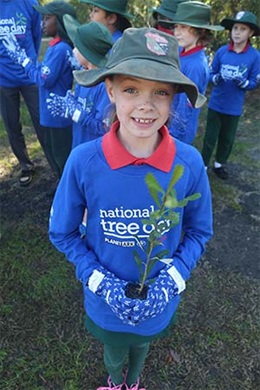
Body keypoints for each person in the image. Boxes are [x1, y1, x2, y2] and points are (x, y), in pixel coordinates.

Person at [49, 27, 213, 390]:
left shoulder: (189, 163)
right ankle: (114, 378)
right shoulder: (83, 162)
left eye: (161, 92)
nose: (146, 105)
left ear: (174, 100)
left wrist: (171, 281)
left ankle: (134, 380)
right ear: (110, 90)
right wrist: (98, 280)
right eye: (130, 89)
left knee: (142, 343)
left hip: (158, 302)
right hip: (104, 303)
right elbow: (62, 231)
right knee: (114, 347)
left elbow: (200, 229)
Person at [3, 1, 77, 179]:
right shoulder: (55, 47)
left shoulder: (60, 49)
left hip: (48, 103)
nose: (44, 22)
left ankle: (62, 179)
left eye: (47, 19)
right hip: (5, 79)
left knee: (53, 140)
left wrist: (25, 60)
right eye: (43, 19)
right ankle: (36, 171)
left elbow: (43, 78)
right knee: (14, 127)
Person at [201, 11, 260, 180]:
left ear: (251, 33)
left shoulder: (255, 56)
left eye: (242, 29)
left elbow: (254, 82)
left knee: (227, 138)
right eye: (235, 28)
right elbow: (211, 73)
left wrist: (243, 83)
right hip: (216, 104)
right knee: (210, 137)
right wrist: (217, 78)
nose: (237, 32)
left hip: (234, 107)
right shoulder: (222, 52)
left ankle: (219, 164)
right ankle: (203, 165)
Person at [161, 1, 224, 144]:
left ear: (199, 31)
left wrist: (172, 137)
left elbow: (185, 107)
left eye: (183, 27)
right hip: (168, 122)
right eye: (176, 26)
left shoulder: (196, 66)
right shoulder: (180, 52)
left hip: (177, 133)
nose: (177, 32)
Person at [0, 0, 48, 186]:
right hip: (4, 80)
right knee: (12, 125)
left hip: (30, 78)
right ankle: (26, 165)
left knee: (42, 121)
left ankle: (57, 165)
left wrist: (30, 64)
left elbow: (37, 35)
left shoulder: (29, 3)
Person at [46, 16, 114, 149]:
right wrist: (67, 106)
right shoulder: (83, 76)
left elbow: (104, 128)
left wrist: (76, 113)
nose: (73, 50)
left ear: (86, 52)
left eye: (76, 46)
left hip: (94, 152)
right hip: (79, 145)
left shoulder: (103, 84)